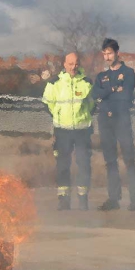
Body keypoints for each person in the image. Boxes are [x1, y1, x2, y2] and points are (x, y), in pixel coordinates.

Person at [91, 38, 135, 211]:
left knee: (129, 159)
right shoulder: (101, 76)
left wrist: (107, 94)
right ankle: (113, 198)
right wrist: (113, 89)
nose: (107, 57)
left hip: (122, 120)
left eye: (109, 53)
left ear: (117, 53)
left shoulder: (128, 73)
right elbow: (95, 96)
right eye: (104, 53)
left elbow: (125, 96)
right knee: (110, 161)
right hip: (105, 121)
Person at [42, 52, 94, 210]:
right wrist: (59, 116)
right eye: (70, 64)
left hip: (82, 131)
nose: (73, 67)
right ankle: (64, 200)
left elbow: (92, 105)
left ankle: (83, 199)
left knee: (84, 165)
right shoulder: (54, 83)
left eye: (76, 63)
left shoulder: (87, 82)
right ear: (64, 64)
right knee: (63, 165)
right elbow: (47, 104)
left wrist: (82, 117)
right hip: (62, 131)